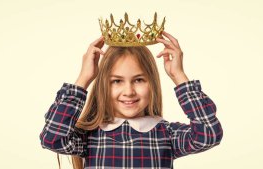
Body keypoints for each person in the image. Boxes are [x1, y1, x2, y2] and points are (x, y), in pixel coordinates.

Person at [39, 31, 223, 169]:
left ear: (152, 83)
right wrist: (84, 78)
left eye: (139, 80)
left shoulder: (166, 134)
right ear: (103, 85)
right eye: (117, 81)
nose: (129, 91)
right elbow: (52, 138)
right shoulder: (90, 136)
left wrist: (179, 75)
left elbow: (209, 135)